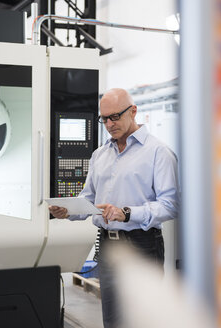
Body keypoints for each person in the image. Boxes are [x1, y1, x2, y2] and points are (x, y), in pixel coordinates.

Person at [49, 88, 180, 328]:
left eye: (115, 117)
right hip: (109, 245)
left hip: (142, 244)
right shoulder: (100, 155)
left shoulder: (158, 152)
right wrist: (68, 211)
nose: (109, 124)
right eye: (104, 118)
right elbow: (88, 198)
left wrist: (127, 212)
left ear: (133, 111)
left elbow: (171, 205)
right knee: (113, 319)